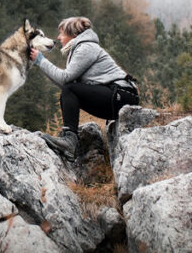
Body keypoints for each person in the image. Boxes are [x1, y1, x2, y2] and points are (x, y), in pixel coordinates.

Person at [30, 16, 139, 160]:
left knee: (69, 89)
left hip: (122, 95)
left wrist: (41, 60)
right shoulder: (80, 48)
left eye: (62, 33)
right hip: (116, 96)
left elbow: (65, 80)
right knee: (68, 90)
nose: (58, 37)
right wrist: (40, 62)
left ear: (74, 34)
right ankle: (69, 138)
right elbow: (65, 84)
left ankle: (70, 141)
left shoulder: (86, 47)